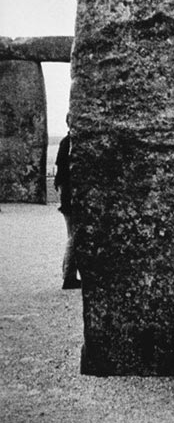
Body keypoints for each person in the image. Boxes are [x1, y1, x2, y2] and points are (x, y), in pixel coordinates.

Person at [54, 112, 80, 290]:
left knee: (73, 235)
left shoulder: (66, 142)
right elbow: (64, 174)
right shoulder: (69, 143)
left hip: (68, 197)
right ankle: (69, 276)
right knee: (74, 237)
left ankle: (68, 273)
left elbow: (59, 174)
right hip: (71, 198)